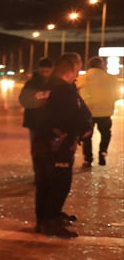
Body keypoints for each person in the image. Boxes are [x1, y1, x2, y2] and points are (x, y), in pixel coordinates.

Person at [32, 56, 93, 237]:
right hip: (59, 145)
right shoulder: (64, 90)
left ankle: (44, 218)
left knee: (45, 182)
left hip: (43, 142)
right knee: (58, 184)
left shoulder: (46, 88)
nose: (77, 75)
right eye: (77, 70)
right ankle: (50, 221)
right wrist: (80, 132)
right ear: (70, 70)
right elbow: (73, 116)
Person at [76, 56, 115, 167]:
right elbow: (116, 94)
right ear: (101, 65)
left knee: (87, 135)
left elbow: (77, 91)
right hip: (105, 112)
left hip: (88, 111)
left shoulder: (83, 77)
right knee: (106, 133)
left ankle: (88, 159)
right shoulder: (110, 78)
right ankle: (103, 152)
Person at [19, 56, 55, 177]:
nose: (45, 73)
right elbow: (23, 100)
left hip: (53, 124)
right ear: (38, 70)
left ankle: (49, 173)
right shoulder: (31, 83)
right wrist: (39, 102)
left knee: (52, 150)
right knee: (37, 151)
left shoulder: (56, 83)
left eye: (47, 70)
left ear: (52, 70)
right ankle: (39, 174)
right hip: (35, 123)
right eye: (42, 70)